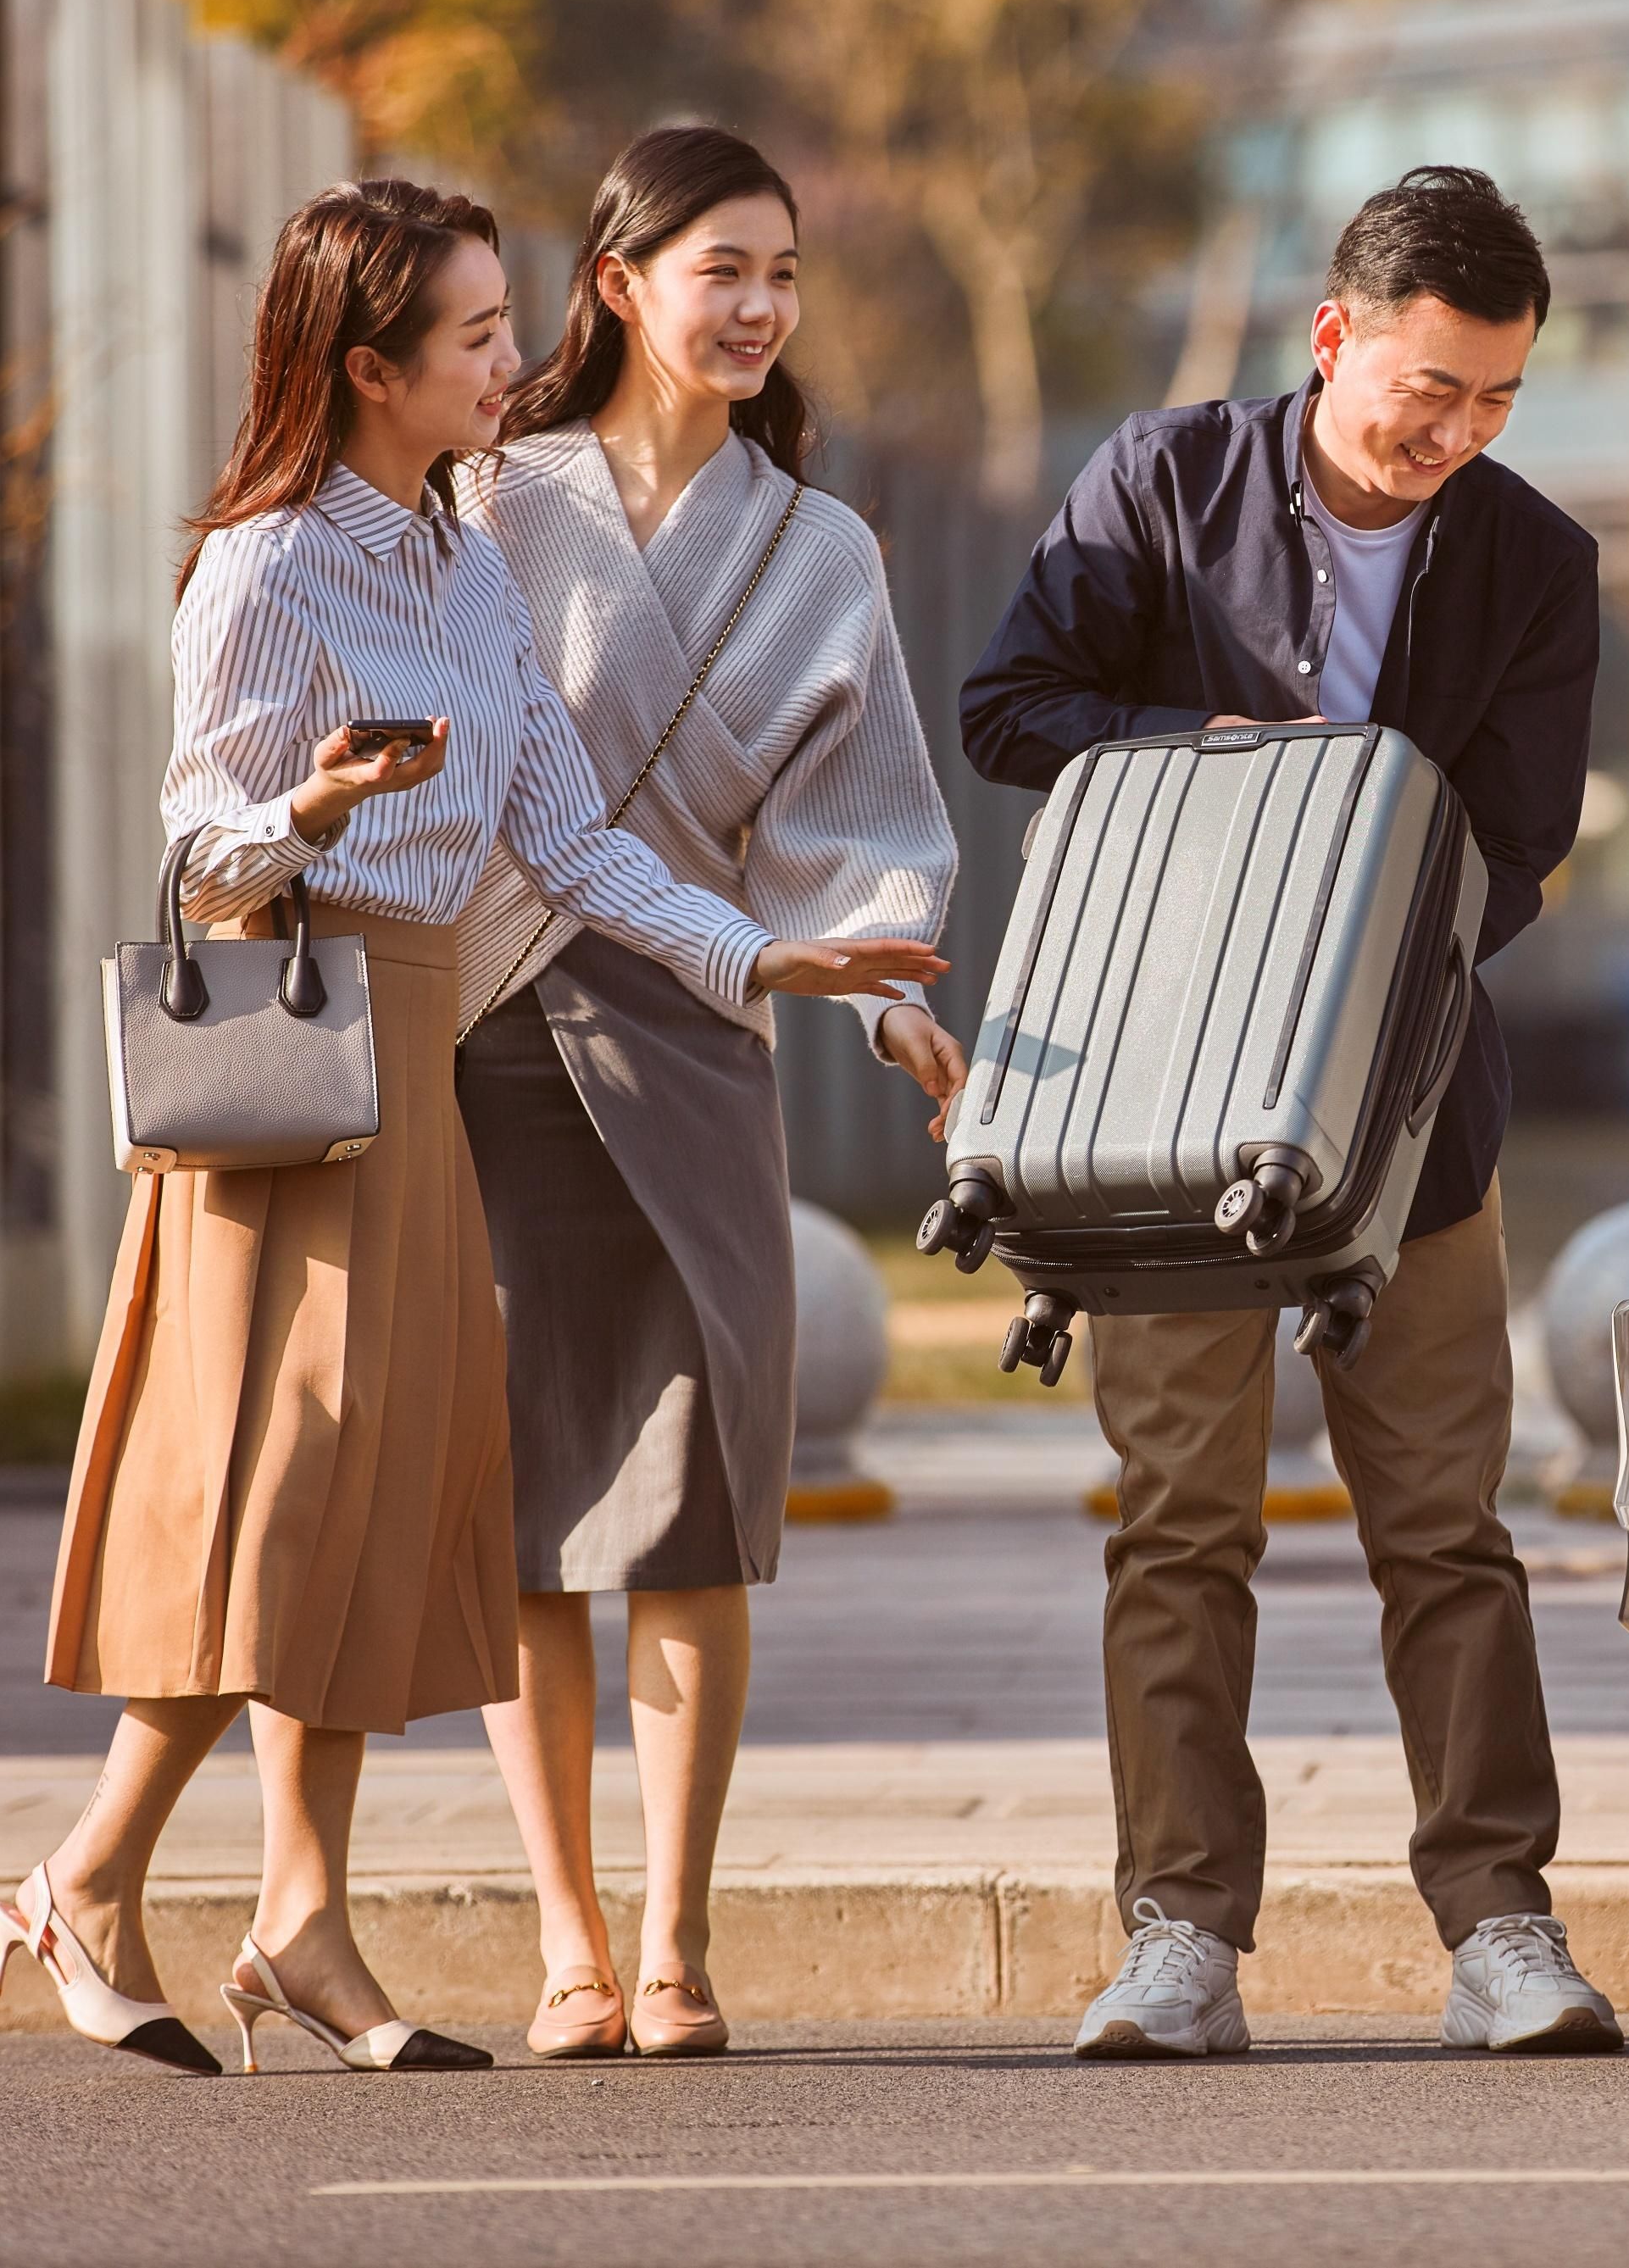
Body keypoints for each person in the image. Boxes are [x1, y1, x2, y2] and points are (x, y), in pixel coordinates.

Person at [14, 178, 930, 2076]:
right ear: (370, 367)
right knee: (280, 1504)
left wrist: (774, 965)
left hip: (417, 1064)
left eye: (512, 327)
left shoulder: (468, 565)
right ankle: (92, 1877)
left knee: (367, 1511)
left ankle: (300, 1919)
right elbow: (199, 847)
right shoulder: (263, 565)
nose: (515, 366)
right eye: (476, 339)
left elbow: (578, 841)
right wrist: (323, 808)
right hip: (297, 1057)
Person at [962, 164, 1615, 2060]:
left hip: (1410, 1111)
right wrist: (1224, 774)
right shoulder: (1158, 485)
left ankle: (1499, 1923)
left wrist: (1359, 945)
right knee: (1177, 1523)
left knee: (1448, 1527)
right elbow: (1014, 707)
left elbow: (1516, 853)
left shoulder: (1533, 562)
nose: (1456, 435)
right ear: (1332, 337)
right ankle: (1179, 1937)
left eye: (1495, 399)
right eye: (1430, 387)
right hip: (1158, 1093)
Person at [461, 125, 962, 2061]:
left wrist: (890, 1001)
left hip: (699, 1042)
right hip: (494, 1031)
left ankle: (674, 1942)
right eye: (717, 269)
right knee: (526, 1511)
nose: (756, 307)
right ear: (615, 284)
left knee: (685, 1499)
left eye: (781, 272)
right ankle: (567, 1944)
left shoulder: (819, 546)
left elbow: (862, 831)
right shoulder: (488, 502)